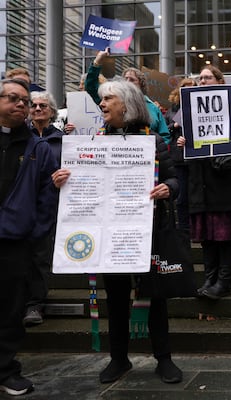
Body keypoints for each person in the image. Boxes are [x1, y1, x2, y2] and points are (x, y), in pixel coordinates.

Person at [52, 79, 182, 385]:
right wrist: (63, 179)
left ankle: (164, 359)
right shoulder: (94, 141)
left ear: (127, 104)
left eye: (108, 98)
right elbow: (83, 181)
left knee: (155, 298)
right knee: (117, 297)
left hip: (146, 233)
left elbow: (176, 181)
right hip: (109, 235)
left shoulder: (154, 142)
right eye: (101, 99)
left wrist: (168, 188)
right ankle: (118, 359)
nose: (102, 104)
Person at [0, 78, 58, 396]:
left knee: (11, 310)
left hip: (16, 242)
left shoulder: (38, 148)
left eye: (25, 100)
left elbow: (46, 196)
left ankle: (6, 370)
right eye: (13, 98)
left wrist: (33, 232)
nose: (22, 104)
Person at [178, 65, 231, 300]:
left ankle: (224, 282)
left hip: (225, 184)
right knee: (207, 237)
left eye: (208, 77)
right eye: (200, 78)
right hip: (201, 185)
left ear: (220, 82)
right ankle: (210, 280)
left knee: (225, 236)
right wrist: (182, 141)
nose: (202, 81)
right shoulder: (189, 108)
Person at [22, 91, 64, 327]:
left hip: (51, 204)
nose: (38, 109)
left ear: (52, 111)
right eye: (34, 105)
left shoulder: (62, 140)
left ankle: (35, 303)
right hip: (22, 205)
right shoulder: (21, 138)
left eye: (43, 105)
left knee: (41, 256)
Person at [85, 48, 170, 144]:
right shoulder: (112, 101)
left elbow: (165, 137)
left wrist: (154, 150)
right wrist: (98, 61)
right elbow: (91, 86)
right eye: (125, 79)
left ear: (141, 85)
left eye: (132, 80)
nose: (128, 82)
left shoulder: (153, 107)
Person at [165, 77, 196, 232]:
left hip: (196, 157)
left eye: (193, 86)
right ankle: (184, 228)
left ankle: (195, 227)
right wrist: (175, 125)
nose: (189, 89)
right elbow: (164, 131)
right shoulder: (172, 110)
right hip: (179, 159)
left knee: (195, 195)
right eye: (186, 86)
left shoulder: (199, 108)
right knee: (182, 196)